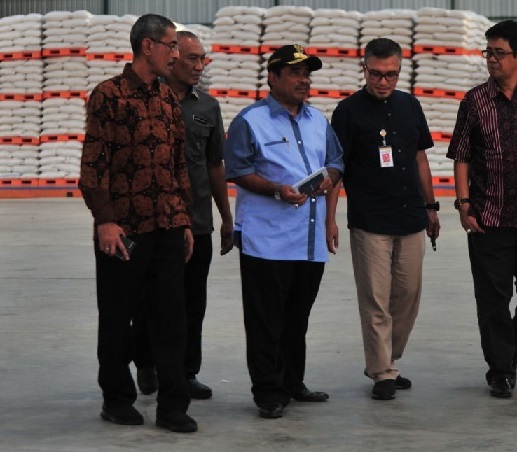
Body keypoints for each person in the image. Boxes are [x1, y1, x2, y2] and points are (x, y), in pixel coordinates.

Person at [79, 14, 198, 433]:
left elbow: (178, 165)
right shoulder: (108, 95)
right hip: (124, 230)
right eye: (171, 45)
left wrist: (184, 219)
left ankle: (172, 406)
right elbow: (93, 165)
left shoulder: (167, 99)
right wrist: (105, 221)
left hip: (167, 225)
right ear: (148, 46)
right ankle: (117, 399)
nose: (176, 54)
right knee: (117, 317)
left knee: (171, 318)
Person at [224, 44, 344, 419]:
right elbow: (238, 170)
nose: (303, 80)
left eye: (307, 73)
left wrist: (329, 179)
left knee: (297, 318)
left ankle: (293, 382)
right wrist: (277, 190)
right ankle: (268, 392)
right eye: (295, 73)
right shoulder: (250, 121)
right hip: (267, 240)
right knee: (265, 321)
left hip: (308, 241)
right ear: (273, 77)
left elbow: (336, 161)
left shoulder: (318, 120)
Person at [446, 20, 517, 399]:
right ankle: (500, 370)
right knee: (492, 299)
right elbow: (461, 156)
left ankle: (511, 352)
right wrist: (464, 204)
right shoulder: (474, 101)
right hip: (488, 219)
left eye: (500, 53)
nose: (492, 59)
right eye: (489, 52)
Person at [327, 38, 440, 401]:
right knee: (375, 299)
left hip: (410, 215)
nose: (383, 81)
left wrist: (432, 207)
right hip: (369, 219)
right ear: (364, 69)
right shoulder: (347, 112)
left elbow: (420, 158)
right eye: (376, 74)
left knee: (408, 295)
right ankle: (382, 371)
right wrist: (330, 219)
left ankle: (388, 358)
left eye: (390, 74)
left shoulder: (410, 105)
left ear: (399, 72)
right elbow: (336, 170)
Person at [132, 30, 234, 400]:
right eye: (192, 58)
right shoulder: (144, 100)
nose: (199, 66)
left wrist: (226, 216)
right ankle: (147, 362)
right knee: (149, 298)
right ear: (173, 59)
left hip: (197, 220)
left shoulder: (207, 107)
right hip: (153, 221)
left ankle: (186, 371)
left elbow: (215, 165)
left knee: (192, 301)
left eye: (202, 59)